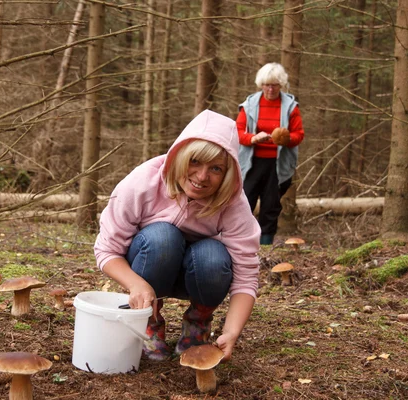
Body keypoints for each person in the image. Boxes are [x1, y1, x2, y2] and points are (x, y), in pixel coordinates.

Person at [94, 110, 261, 362]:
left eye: (215, 168)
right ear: (180, 156)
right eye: (195, 161)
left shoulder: (233, 204)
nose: (202, 176)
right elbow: (107, 250)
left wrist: (231, 331)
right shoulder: (142, 182)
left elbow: (246, 278)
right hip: (149, 264)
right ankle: (148, 322)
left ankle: (198, 323)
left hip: (199, 274)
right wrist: (136, 284)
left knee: (213, 255)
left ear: (228, 173)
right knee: (163, 236)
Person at [236, 62, 305, 245]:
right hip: (252, 163)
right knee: (244, 203)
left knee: (271, 206)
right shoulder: (250, 104)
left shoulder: (290, 107)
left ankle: (265, 245)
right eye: (267, 84)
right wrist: (253, 138)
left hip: (277, 164)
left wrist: (286, 138)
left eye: (274, 85)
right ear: (261, 85)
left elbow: (299, 135)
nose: (270, 89)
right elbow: (238, 132)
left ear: (280, 85)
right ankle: (241, 242)